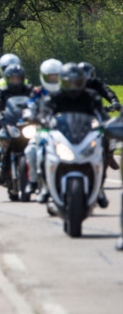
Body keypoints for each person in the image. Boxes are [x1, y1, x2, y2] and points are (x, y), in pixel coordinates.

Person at [40, 63, 108, 207]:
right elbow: (45, 112)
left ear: (82, 82)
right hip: (62, 136)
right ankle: (46, 187)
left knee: (104, 146)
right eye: (68, 82)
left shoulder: (91, 96)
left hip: (86, 135)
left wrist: (107, 123)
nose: (72, 86)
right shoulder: (55, 96)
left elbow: (101, 114)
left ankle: (100, 188)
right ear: (62, 82)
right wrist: (42, 120)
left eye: (76, 82)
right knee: (42, 150)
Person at [0, 64, 33, 183]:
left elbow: (36, 102)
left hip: (25, 123)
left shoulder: (29, 89)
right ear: (7, 79)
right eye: (12, 78)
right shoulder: (2, 91)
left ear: (22, 78)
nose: (15, 81)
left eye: (18, 78)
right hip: (7, 122)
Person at [24, 59, 62, 200]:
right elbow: (30, 105)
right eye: (50, 77)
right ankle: (33, 181)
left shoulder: (66, 92)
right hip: (43, 129)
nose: (53, 79)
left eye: (56, 76)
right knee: (31, 151)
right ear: (43, 77)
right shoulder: (37, 92)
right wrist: (29, 114)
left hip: (62, 131)